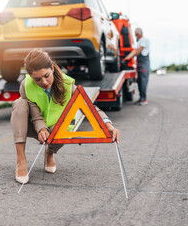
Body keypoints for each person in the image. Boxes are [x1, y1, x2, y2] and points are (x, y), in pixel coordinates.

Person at [10, 49, 120, 184]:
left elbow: (90, 108)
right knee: (19, 103)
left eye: (46, 75)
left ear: (52, 68)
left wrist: (107, 125)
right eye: (37, 79)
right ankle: (21, 160)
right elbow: (36, 115)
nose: (44, 82)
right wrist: (42, 129)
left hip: (57, 128)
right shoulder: (26, 85)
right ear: (31, 77)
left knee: (66, 130)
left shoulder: (68, 85)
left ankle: (50, 152)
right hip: (34, 125)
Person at [123, 27, 150, 106]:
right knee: (140, 82)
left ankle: (144, 99)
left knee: (143, 82)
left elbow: (138, 51)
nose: (135, 36)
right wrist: (126, 58)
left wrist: (128, 58)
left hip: (144, 65)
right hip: (140, 64)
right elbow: (135, 51)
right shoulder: (140, 41)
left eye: (135, 34)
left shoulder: (144, 40)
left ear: (138, 33)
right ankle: (141, 98)